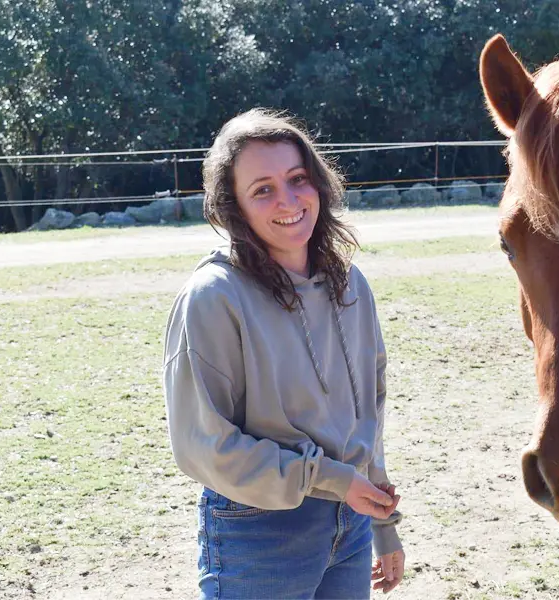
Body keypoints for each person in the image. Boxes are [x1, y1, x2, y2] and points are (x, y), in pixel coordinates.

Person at [162, 107, 405, 599]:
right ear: (235, 207)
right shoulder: (214, 297)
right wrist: (328, 477)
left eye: (298, 178)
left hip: (352, 522)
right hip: (260, 532)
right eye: (263, 189)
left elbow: (369, 415)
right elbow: (204, 447)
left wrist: (384, 523)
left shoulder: (350, 284)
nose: (288, 200)